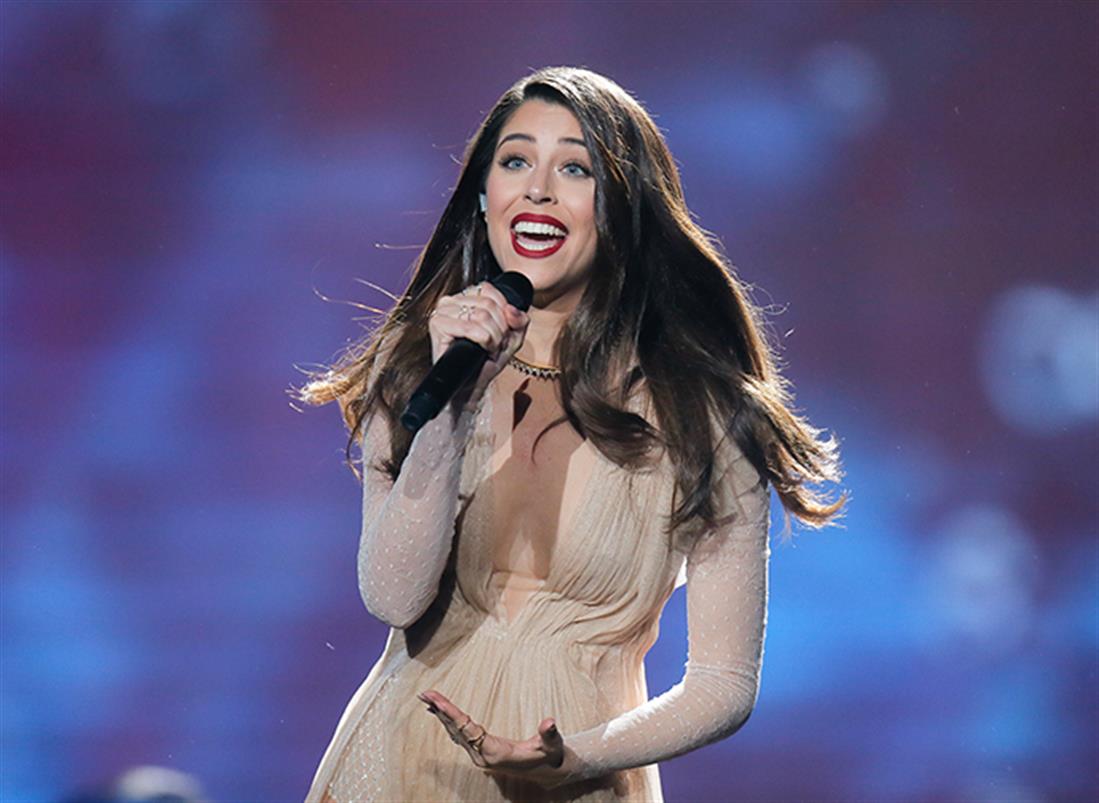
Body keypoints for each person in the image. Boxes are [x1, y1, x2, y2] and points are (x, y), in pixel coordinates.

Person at [295, 66, 847, 803]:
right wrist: (449, 417)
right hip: (400, 767)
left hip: (577, 783)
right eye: (515, 161)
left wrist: (576, 757)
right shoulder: (421, 364)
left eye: (575, 169)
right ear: (483, 197)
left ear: (622, 206)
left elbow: (723, 683)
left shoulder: (702, 412)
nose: (538, 189)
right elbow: (393, 597)